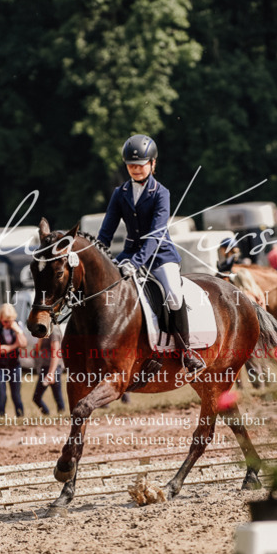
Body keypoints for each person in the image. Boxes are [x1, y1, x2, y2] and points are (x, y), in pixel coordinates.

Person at [97, 134, 205, 374]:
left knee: (173, 294)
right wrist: (98, 256)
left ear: (153, 163)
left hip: (160, 255)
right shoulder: (120, 193)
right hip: (129, 254)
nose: (135, 169)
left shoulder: (161, 193)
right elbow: (106, 232)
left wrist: (135, 263)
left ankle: (186, 351)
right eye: (131, 165)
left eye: (140, 164)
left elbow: (155, 236)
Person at [0, 303, 26, 418]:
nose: (7, 324)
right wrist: (14, 346)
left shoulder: (17, 325)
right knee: (2, 394)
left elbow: (24, 344)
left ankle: (20, 418)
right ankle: (1, 419)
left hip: (14, 364)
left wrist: (18, 331)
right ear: (0, 318)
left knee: (16, 395)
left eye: (10, 321)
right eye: (5, 321)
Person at [33, 324, 65, 415]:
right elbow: (37, 349)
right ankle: (48, 414)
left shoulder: (54, 331)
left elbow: (56, 354)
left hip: (53, 367)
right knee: (37, 397)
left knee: (56, 396)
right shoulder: (44, 331)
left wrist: (51, 373)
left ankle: (61, 416)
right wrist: (40, 336)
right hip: (45, 366)